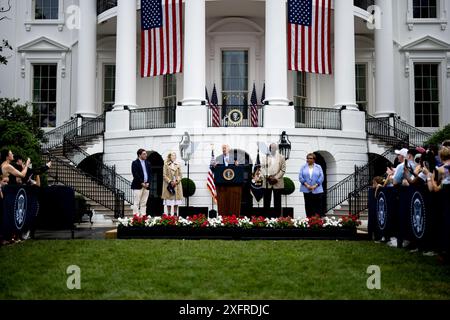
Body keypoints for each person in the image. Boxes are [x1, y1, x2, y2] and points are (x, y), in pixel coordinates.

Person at [261, 143, 286, 216]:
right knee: (266, 201)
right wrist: (268, 176)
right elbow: (262, 168)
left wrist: (275, 178)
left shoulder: (281, 157)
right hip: (267, 182)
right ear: (269, 149)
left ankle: (277, 219)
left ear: (276, 149)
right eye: (272, 148)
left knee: (277, 202)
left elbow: (283, 169)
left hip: (277, 182)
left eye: (274, 148)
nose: (273, 150)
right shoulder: (264, 157)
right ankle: (266, 218)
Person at [299, 153, 324, 217]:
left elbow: (321, 177)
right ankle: (309, 220)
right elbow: (300, 177)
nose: (308, 159)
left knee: (317, 206)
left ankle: (317, 221)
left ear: (314, 159)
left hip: (317, 189)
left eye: (310, 158)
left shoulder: (318, 167)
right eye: (307, 158)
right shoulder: (303, 167)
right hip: (306, 189)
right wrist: (307, 185)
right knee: (308, 206)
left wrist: (315, 185)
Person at [161, 152, 183, 216]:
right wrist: (170, 181)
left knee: (176, 200)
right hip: (169, 184)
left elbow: (180, 175)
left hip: (176, 184)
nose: (174, 157)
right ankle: (169, 214)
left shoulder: (178, 164)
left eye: (175, 156)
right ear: (170, 157)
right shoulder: (166, 164)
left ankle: (175, 214)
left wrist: (176, 181)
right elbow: (164, 175)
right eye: (172, 156)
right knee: (169, 200)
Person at [131, 149, 152, 216]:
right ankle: (136, 217)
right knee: (136, 202)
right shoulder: (135, 163)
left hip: (147, 185)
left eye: (146, 153)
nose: (146, 155)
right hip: (138, 185)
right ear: (139, 155)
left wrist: (148, 182)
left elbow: (150, 174)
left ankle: (143, 216)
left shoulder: (148, 163)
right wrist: (142, 183)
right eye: (144, 154)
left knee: (144, 202)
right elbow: (135, 174)